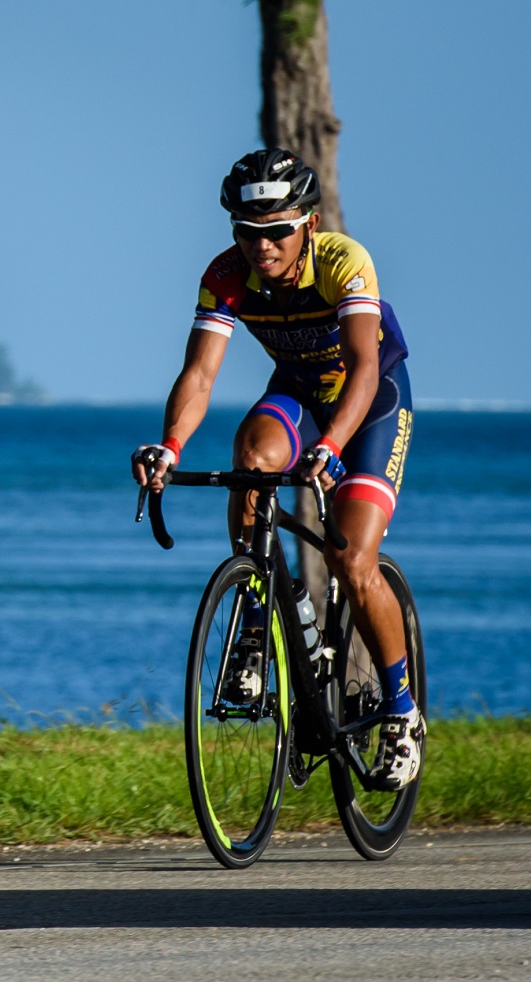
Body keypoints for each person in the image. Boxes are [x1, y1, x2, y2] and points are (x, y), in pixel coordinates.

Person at [131, 149, 420, 788]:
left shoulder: (345, 262)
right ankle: (261, 614)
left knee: (354, 560)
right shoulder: (226, 274)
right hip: (297, 392)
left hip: (366, 402)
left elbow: (365, 369)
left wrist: (333, 445)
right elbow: (200, 374)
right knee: (252, 458)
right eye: (246, 230)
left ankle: (401, 711)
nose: (261, 245)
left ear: (308, 225)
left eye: (276, 230)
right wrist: (170, 447)